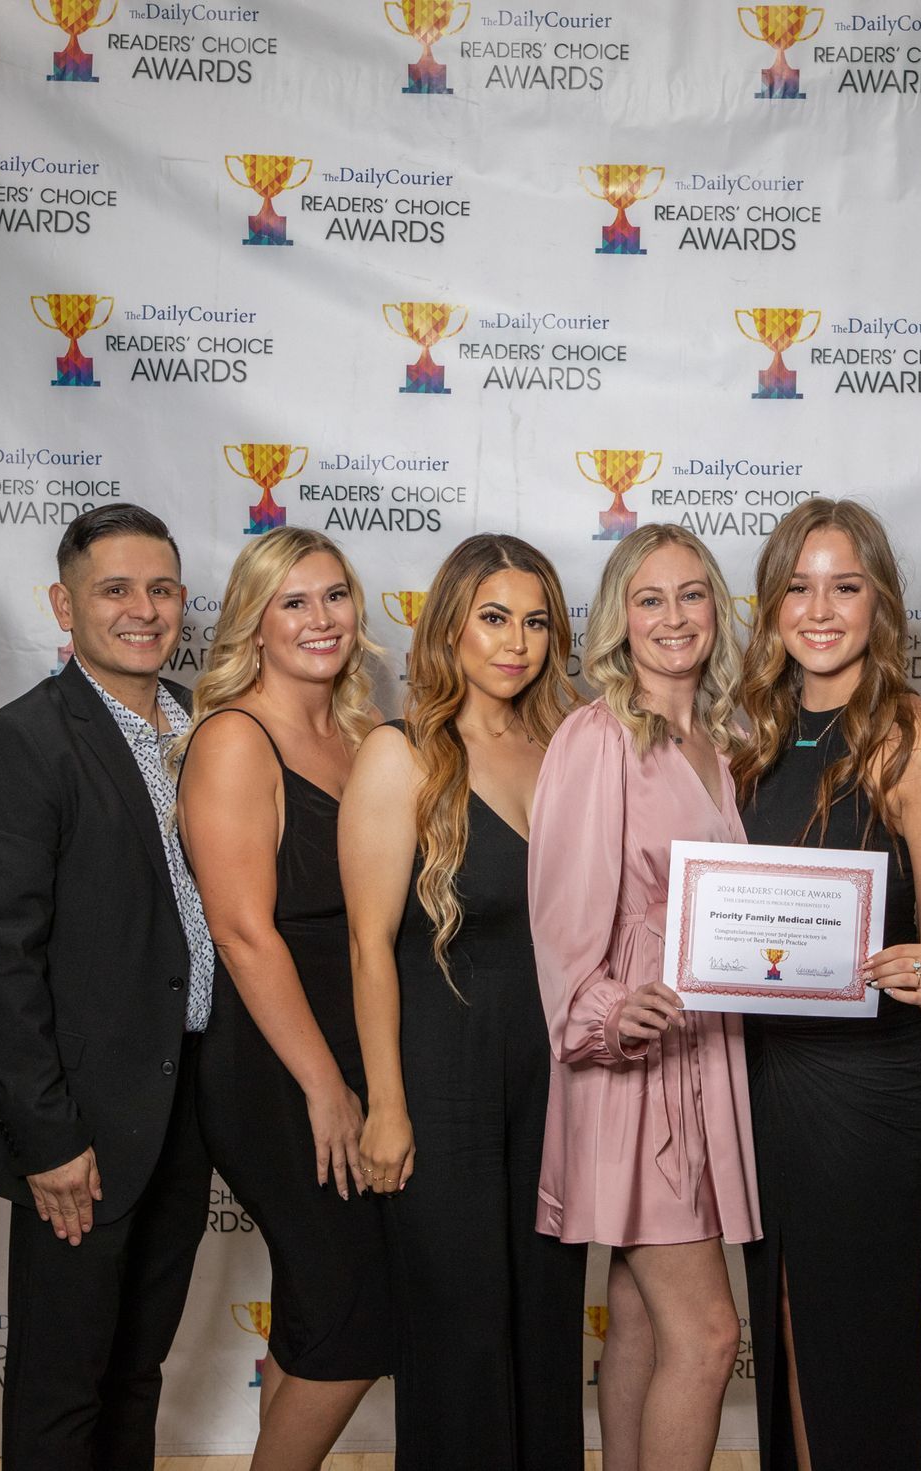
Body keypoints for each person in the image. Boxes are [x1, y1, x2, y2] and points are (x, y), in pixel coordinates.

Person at [0, 505, 217, 1471]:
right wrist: (50, 1138)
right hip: (82, 1124)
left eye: (162, 588)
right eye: (115, 589)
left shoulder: (207, 729)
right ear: (65, 604)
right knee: (64, 1387)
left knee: (137, 1369)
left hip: (188, 1098)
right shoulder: (23, 744)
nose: (143, 609)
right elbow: (0, 963)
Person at [730, 497, 921, 1471]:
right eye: (799, 586)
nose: (821, 608)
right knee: (782, 1306)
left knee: (858, 1326)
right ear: (771, 603)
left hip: (874, 1081)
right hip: (763, 1072)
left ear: (880, 600)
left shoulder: (912, 738)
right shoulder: (745, 732)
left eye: (845, 585)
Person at [340, 534, 588, 1471]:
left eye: (535, 620)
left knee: (546, 1319)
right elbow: (367, 946)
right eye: (493, 617)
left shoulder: (572, 748)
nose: (516, 641)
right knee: (460, 1330)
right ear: (450, 625)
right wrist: (387, 1106)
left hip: (557, 1074)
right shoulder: (400, 755)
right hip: (440, 1077)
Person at [531, 525, 762, 1471]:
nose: (676, 617)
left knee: (638, 1315)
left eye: (693, 594)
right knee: (707, 1335)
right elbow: (562, 911)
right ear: (619, 618)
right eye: (651, 598)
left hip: (709, 1052)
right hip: (636, 1061)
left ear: (718, 608)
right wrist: (604, 1011)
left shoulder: (724, 738)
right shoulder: (598, 736)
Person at [173, 528, 393, 1470]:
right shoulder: (234, 738)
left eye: (334, 596)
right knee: (356, 1306)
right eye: (292, 601)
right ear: (253, 624)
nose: (319, 619)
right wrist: (325, 1086)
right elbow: (243, 932)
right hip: (275, 1065)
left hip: (360, 1050)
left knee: (322, 1299)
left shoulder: (362, 736)